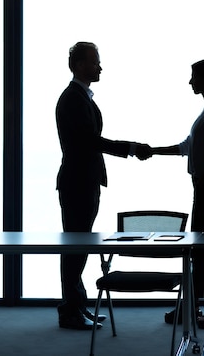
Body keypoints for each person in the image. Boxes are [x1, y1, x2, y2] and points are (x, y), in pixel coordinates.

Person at [55, 41, 151, 330]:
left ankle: (76, 307)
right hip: (78, 183)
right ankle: (71, 310)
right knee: (75, 247)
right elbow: (89, 141)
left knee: (78, 246)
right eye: (95, 61)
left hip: (84, 181)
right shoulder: (74, 98)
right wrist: (131, 147)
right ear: (80, 65)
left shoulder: (80, 97)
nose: (100, 66)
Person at [151, 58, 204, 328]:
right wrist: (154, 150)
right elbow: (188, 146)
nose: (191, 82)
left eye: (194, 77)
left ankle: (202, 307)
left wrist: (203, 179)